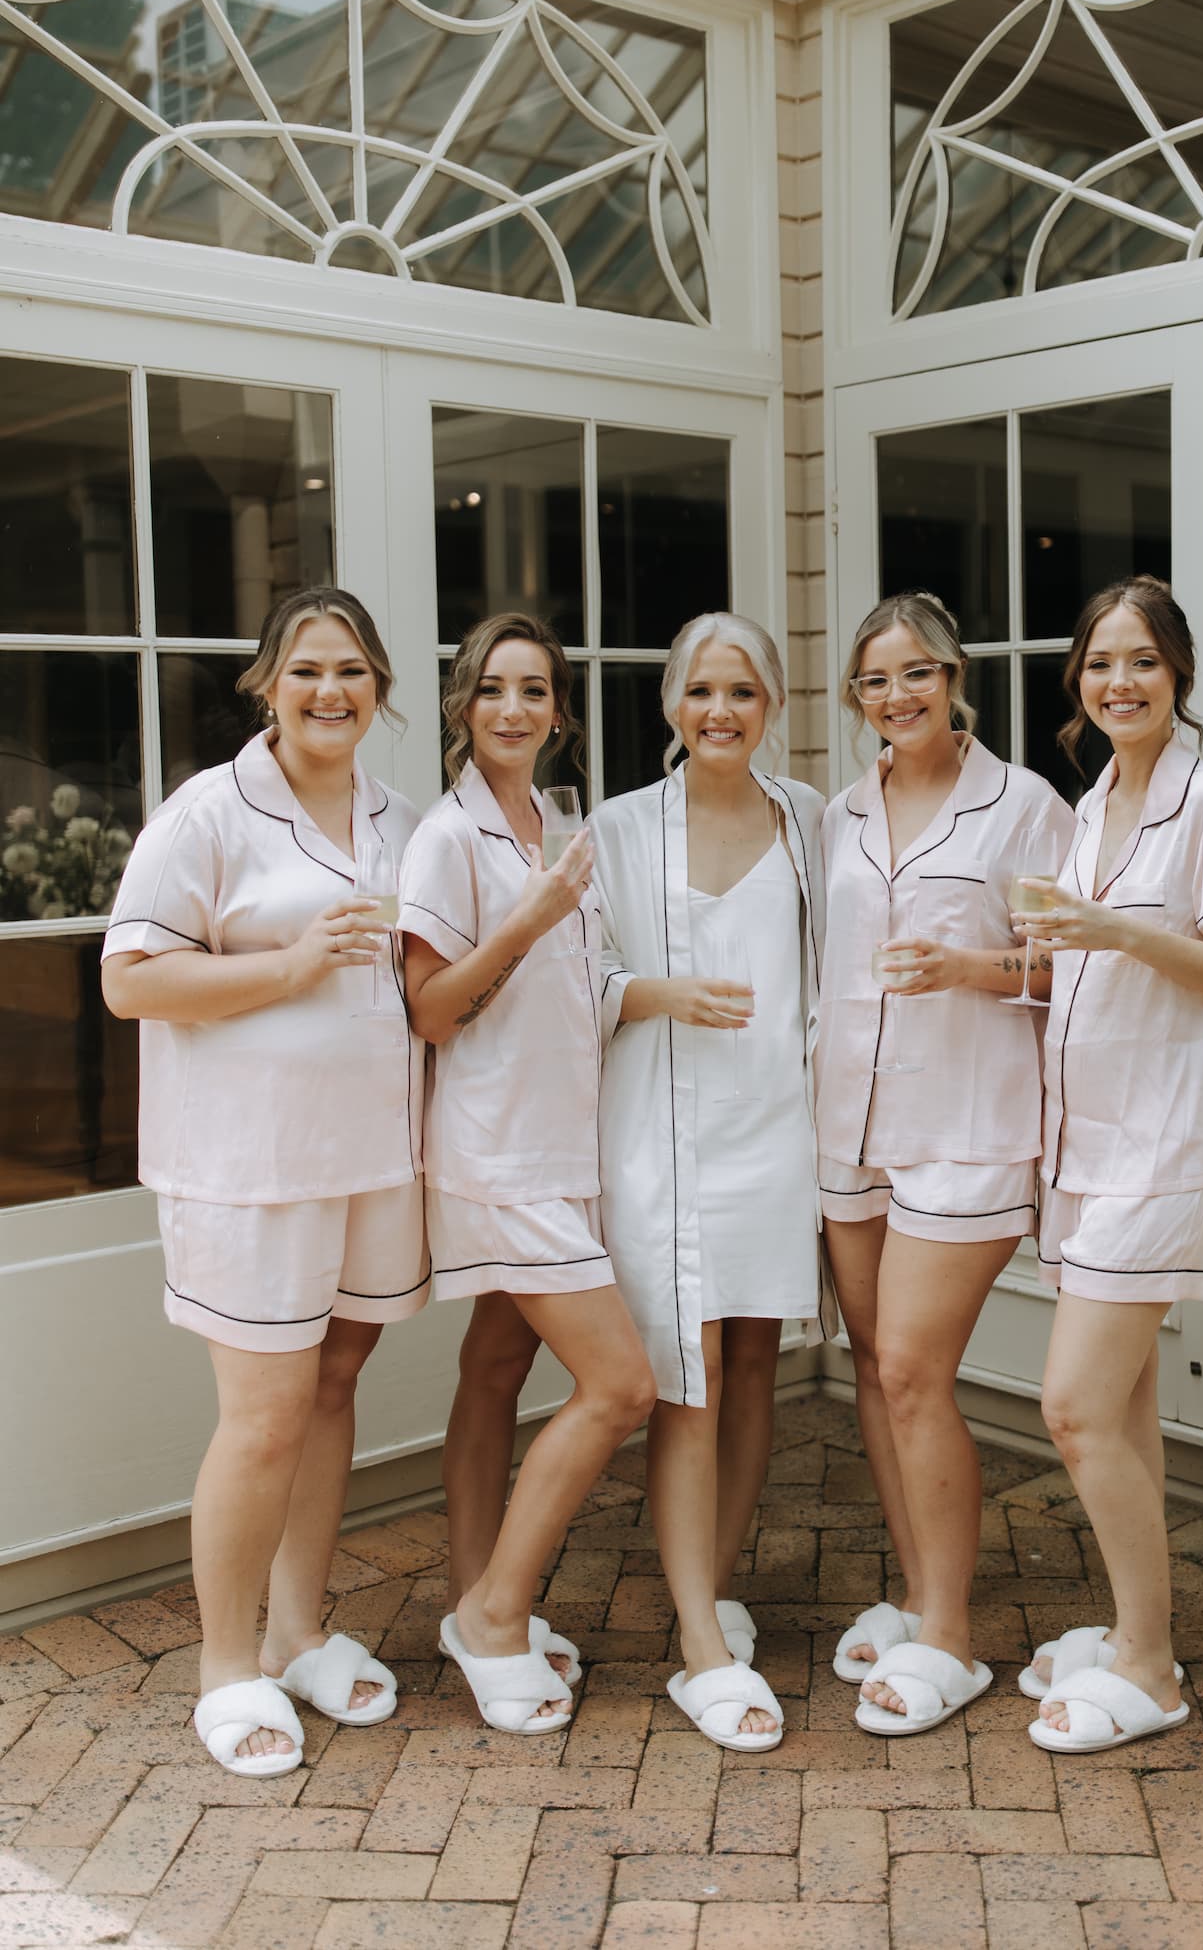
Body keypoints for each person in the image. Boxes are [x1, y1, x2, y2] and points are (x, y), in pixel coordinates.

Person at [102, 588, 428, 1778]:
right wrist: (289, 966)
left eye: (350, 670)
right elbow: (131, 982)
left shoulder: (402, 818)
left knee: (334, 1383)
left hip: (372, 1158)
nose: (329, 690)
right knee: (264, 1416)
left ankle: (299, 1631)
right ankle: (225, 1666)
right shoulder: (210, 813)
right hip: (251, 1168)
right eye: (305, 671)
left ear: (380, 687)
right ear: (267, 687)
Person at [1016, 575, 1203, 1754]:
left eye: (1140, 662)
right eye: (1098, 663)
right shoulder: (1090, 805)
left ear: (1176, 674)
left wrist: (1119, 928)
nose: (1117, 682)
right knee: (1121, 1407)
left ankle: (1150, 1667)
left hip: (1165, 1142)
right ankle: (1138, 1623)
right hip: (1088, 1137)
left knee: (1070, 1409)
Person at [817, 591, 1074, 1736]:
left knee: (916, 1370)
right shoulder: (839, 812)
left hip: (967, 1127)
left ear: (954, 674)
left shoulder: (1021, 805)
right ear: (854, 699)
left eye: (915, 672)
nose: (897, 696)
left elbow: (1073, 971)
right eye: (875, 681)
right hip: (850, 1121)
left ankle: (951, 1635)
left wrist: (972, 969)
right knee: (876, 1365)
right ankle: (918, 1590)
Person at [400, 612, 656, 1736]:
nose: (514, 708)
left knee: (496, 1365)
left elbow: (580, 988)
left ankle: (472, 1597)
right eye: (494, 689)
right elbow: (432, 1008)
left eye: (535, 689)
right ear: (464, 705)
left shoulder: (557, 821)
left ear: (560, 710)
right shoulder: (446, 840)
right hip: (498, 1153)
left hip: (568, 1142)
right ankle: (497, 1614)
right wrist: (529, 916)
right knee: (619, 1387)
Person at [592, 612, 833, 1752]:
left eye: (741, 691)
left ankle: (717, 1580)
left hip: (775, 1132)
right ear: (669, 704)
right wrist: (657, 992)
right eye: (699, 691)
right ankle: (697, 1640)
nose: (719, 712)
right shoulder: (623, 828)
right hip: (667, 1137)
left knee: (750, 1364)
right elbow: (575, 976)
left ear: (773, 703)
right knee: (682, 1374)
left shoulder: (810, 823)